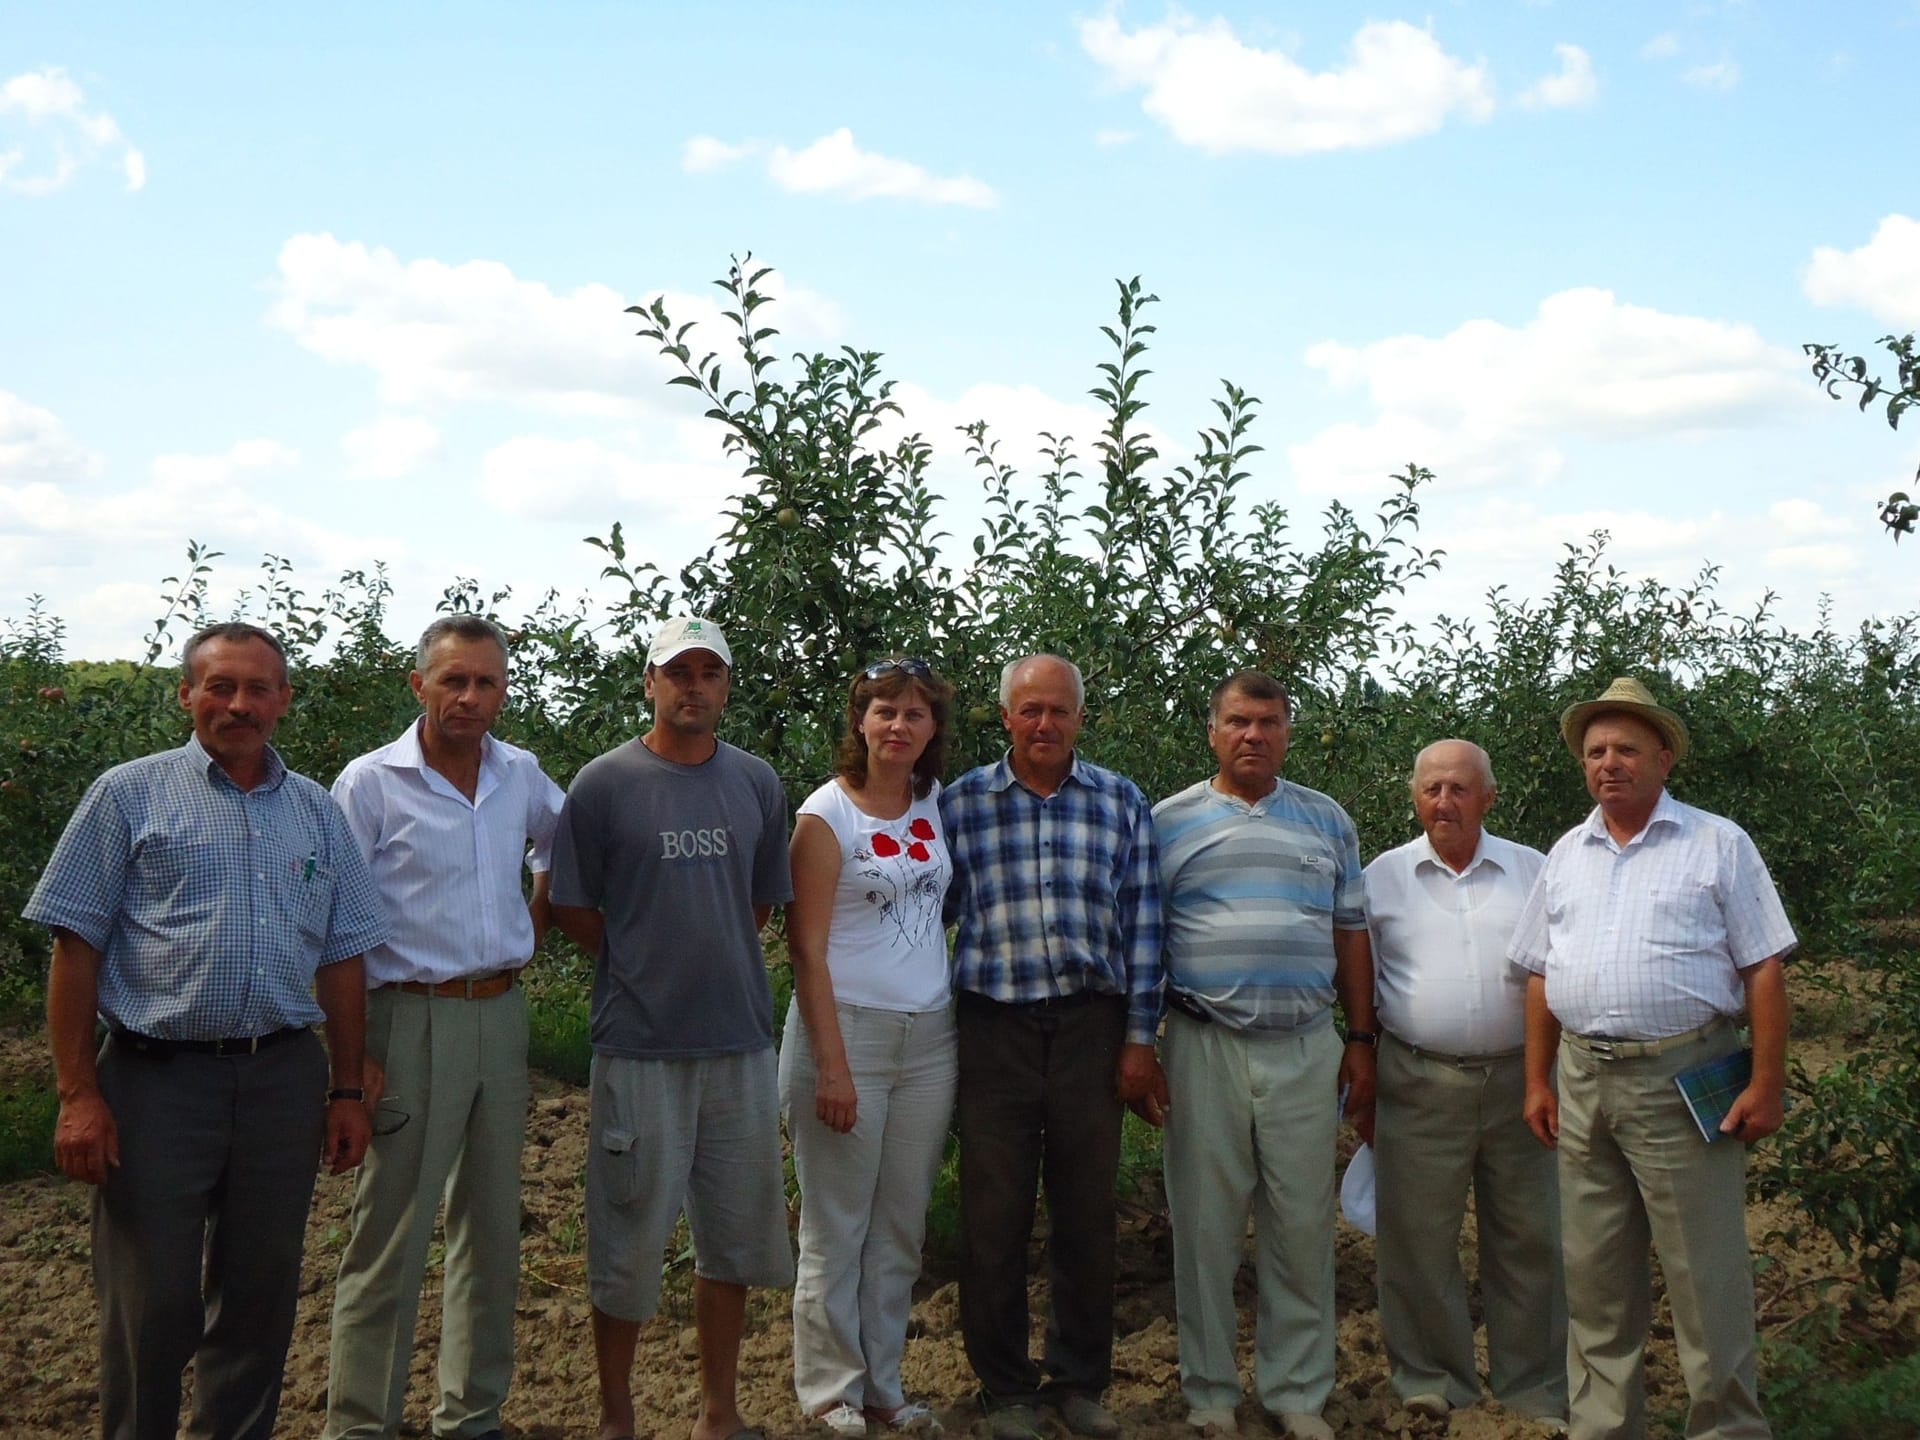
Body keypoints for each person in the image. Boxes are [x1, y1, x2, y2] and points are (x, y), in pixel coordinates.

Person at [26, 621, 389, 1440]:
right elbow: (74, 947)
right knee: (151, 1300)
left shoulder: (317, 813)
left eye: (259, 688)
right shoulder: (127, 795)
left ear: (284, 701)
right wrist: (80, 1094)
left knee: (260, 1293)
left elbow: (342, 959)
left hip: (280, 1079)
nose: (239, 704)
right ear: (186, 694)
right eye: (220, 686)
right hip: (157, 1081)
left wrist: (345, 1086)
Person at [1511, 677, 1795, 1440]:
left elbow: (1763, 965)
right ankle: (1604, 1428)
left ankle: (1727, 1428)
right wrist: (1536, 1079)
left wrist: (1767, 1083)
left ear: (1663, 758)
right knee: (1596, 1275)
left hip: (1682, 1077)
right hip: (1581, 1079)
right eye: (1596, 750)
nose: (1610, 763)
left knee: (1705, 1276)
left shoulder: (1716, 843)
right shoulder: (1567, 853)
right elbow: (1540, 970)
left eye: (1627, 749)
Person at [548, 616, 795, 1440]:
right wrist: (641, 962)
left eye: (709, 673)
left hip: (740, 1047)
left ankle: (717, 1417)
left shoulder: (757, 782)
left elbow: (757, 905)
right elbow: (572, 908)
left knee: (733, 1247)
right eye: (677, 672)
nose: (694, 686)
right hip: (639, 1048)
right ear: (649, 682)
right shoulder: (603, 784)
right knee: (627, 1245)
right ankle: (619, 1420)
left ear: (726, 686)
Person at [323, 615, 565, 1440]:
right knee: (391, 1235)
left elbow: (565, 850)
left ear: (504, 689)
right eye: (453, 679)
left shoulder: (520, 773)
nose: (470, 697)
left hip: (499, 1016)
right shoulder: (369, 784)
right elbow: (328, 925)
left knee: (492, 1232)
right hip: (408, 1021)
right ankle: (360, 1426)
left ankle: (472, 1416)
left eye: (486, 681)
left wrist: (531, 921)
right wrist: (348, 1062)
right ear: (417, 683)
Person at [940, 654, 1165, 1440]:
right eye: (1030, 710)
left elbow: (1142, 925)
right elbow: (928, 914)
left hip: (1089, 1029)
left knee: (1085, 1214)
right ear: (1005, 716)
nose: (1045, 724)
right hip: (993, 1025)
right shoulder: (960, 804)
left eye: (1059, 711)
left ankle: (1079, 1381)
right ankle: (1005, 1389)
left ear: (1079, 717)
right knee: (993, 1214)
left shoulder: (1118, 800)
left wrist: (1140, 1039)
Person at [1152, 671, 1375, 1440]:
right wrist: (1137, 1044)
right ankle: (1210, 1391)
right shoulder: (1167, 822)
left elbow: (1351, 933)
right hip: (1202, 1043)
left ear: (1288, 732)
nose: (1255, 735)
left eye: (1270, 723)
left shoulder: (1327, 820)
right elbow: (1144, 941)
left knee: (1302, 1224)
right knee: (1206, 1227)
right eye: (1239, 722)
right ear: (1212, 730)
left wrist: (1361, 1037)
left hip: (1306, 1046)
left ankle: (1297, 1392)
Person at [1364, 739, 1567, 1434]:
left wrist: (1548, 1076)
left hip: (1522, 1080)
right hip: (1418, 1078)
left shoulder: (1534, 871)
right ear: (1415, 798)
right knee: (1417, 1242)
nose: (1443, 802)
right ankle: (1432, 1380)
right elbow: (1358, 979)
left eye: (1458, 789)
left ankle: (1533, 1387)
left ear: (1488, 797)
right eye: (1431, 790)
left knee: (1531, 1239)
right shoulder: (1381, 879)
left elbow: (1554, 973)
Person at [781, 657, 959, 1437]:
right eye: (884, 710)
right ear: (859, 720)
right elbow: (806, 949)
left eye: (915, 715)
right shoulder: (826, 817)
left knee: (899, 1224)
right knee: (836, 1224)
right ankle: (830, 1392)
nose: (898, 726)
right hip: (846, 1029)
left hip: (930, 1036)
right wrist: (832, 1063)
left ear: (932, 731)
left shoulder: (936, 802)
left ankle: (885, 1387)